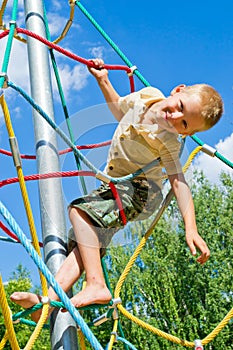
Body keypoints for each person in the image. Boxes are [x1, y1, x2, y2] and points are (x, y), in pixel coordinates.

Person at [10, 58, 223, 322]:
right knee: (83, 244)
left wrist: (191, 228)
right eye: (180, 107)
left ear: (186, 133)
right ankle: (48, 300)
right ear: (178, 90)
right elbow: (121, 110)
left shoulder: (168, 142)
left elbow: (179, 183)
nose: (175, 117)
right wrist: (103, 80)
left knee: (80, 212)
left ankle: (96, 284)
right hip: (115, 186)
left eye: (184, 124)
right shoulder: (148, 96)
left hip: (140, 193)